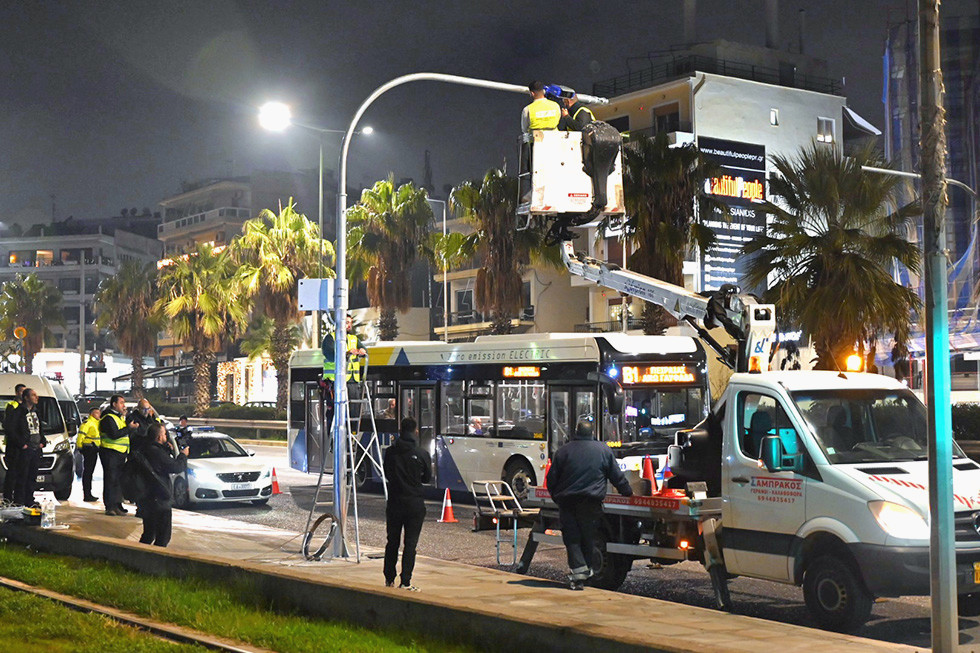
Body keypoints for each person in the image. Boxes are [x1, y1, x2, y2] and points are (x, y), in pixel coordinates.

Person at [545, 418, 633, 590]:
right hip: (592, 502)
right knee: (589, 537)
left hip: (568, 502)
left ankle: (579, 575)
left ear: (576, 432)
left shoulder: (563, 451)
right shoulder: (603, 450)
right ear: (592, 433)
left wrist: (557, 498)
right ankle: (586, 573)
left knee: (572, 538)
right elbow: (616, 476)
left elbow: (551, 479)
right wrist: (628, 492)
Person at [383, 417, 432, 591]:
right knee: (410, 544)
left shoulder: (390, 452)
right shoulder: (422, 453)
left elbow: (387, 473)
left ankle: (389, 579)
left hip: (395, 502)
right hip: (414, 504)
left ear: (400, 431)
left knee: (392, 542)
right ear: (415, 431)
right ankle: (405, 581)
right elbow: (427, 478)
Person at [135, 423, 188, 547]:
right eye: (164, 434)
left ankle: (139, 555)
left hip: (146, 497)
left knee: (148, 534)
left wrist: (166, 449)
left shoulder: (144, 448)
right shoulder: (156, 452)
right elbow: (176, 467)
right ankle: (156, 556)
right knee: (163, 536)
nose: (166, 437)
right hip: (159, 498)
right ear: (159, 437)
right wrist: (183, 455)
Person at [100, 394, 138, 516]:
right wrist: (129, 428)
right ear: (114, 404)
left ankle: (117, 505)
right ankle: (110, 506)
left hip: (120, 453)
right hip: (110, 453)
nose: (124, 405)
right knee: (110, 480)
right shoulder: (108, 418)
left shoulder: (120, 417)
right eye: (121, 403)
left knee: (118, 480)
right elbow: (114, 434)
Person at [10, 388, 47, 508]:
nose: (37, 397)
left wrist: (42, 441)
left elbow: (40, 428)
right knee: (22, 476)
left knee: (32, 476)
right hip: (25, 450)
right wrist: (22, 444)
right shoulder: (18, 412)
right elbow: (11, 429)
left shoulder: (36, 412)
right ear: (26, 398)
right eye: (33, 395)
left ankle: (29, 500)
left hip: (36, 449)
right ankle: (19, 500)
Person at [2, 383, 26, 502]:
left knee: (21, 473)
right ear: (17, 393)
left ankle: (19, 498)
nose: (24, 394)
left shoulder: (26, 407)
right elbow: (9, 426)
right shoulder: (12, 406)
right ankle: (7, 498)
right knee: (12, 473)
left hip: (23, 445)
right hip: (13, 445)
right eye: (22, 391)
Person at [77, 407, 102, 502]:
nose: (99, 415)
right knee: (88, 472)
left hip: (94, 449)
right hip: (89, 448)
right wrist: (80, 447)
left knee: (90, 471)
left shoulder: (97, 423)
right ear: (92, 414)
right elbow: (81, 435)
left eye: (99, 413)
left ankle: (88, 493)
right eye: (97, 413)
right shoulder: (88, 423)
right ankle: (87, 494)